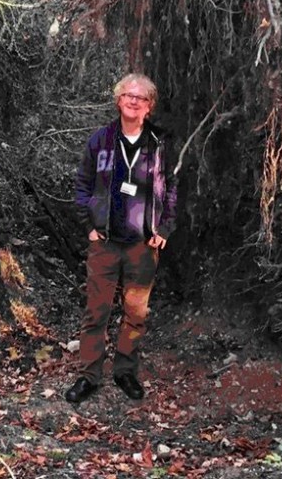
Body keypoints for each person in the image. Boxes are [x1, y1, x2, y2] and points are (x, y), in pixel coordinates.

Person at [65, 73, 177, 403]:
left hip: (143, 244)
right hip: (105, 242)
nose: (132, 100)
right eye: (127, 95)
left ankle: (125, 371)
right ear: (118, 101)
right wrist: (88, 225)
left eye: (140, 97)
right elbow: (83, 185)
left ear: (149, 106)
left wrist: (165, 228)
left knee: (135, 314)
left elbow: (171, 188)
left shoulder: (159, 145)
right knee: (95, 311)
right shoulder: (100, 140)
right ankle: (89, 375)